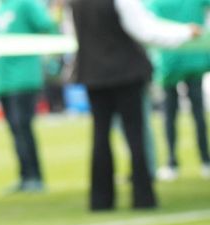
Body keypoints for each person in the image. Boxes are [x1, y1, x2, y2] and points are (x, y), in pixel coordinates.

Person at [69, 0, 201, 210]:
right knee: (135, 136)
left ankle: (100, 200)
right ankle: (143, 196)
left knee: (100, 136)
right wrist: (185, 32)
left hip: (92, 73)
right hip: (126, 72)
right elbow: (145, 30)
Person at [0, 0, 58, 193]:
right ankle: (24, 176)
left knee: (22, 125)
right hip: (2, 77)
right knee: (14, 128)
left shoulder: (26, 3)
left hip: (25, 74)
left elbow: (47, 26)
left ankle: (35, 176)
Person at [149, 0, 210, 181]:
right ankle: (204, 160)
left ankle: (172, 162)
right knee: (195, 112)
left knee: (170, 113)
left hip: (170, 60)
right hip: (190, 59)